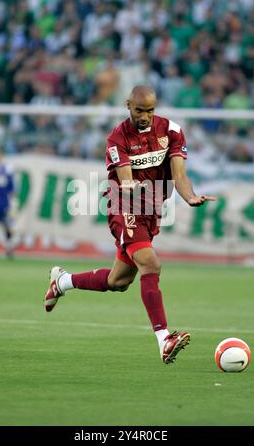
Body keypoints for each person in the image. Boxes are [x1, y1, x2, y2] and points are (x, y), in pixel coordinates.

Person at [44, 86, 216, 365]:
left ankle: (62, 282)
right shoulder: (117, 137)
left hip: (152, 211)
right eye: (139, 110)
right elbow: (124, 179)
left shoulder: (171, 130)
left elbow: (179, 174)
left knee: (119, 281)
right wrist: (130, 184)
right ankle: (164, 340)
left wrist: (190, 197)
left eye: (150, 110)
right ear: (128, 106)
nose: (145, 116)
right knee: (151, 264)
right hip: (124, 206)